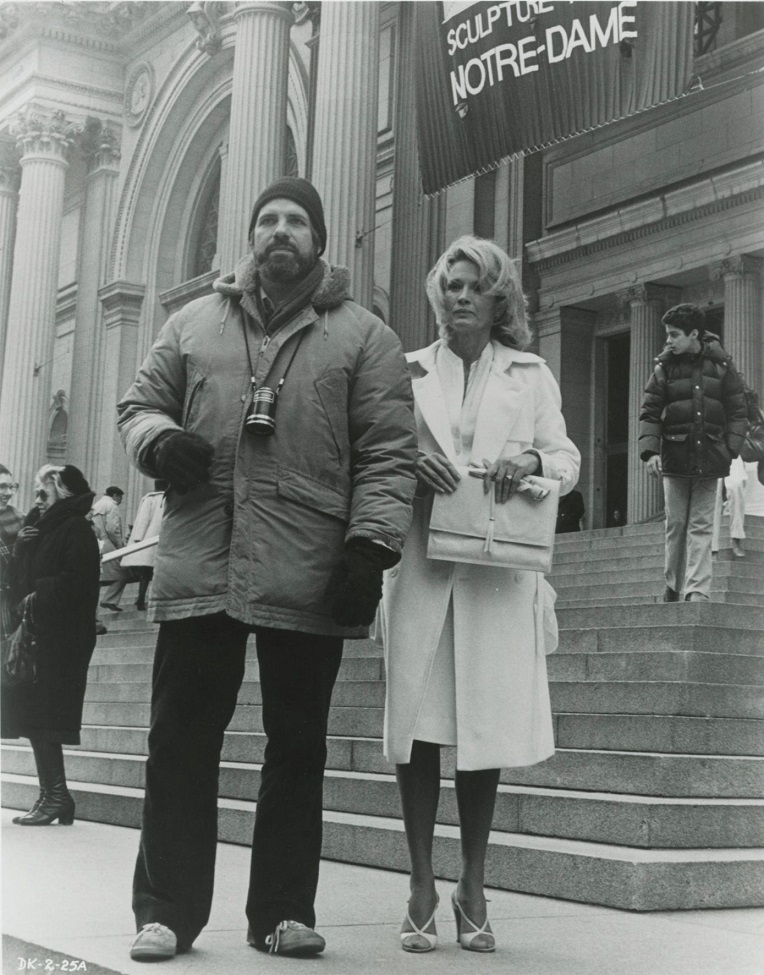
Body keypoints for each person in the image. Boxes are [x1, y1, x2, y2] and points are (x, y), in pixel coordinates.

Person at [117, 176, 417, 961]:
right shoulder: (191, 323)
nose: (281, 230)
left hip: (309, 564)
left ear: (318, 240)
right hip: (202, 559)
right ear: (250, 237)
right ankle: (166, 911)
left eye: (296, 221)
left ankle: (282, 912)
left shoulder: (366, 337)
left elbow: (389, 453)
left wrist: (370, 546)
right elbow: (137, 406)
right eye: (268, 219)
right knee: (178, 741)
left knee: (298, 746)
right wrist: (158, 441)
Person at [379, 236, 580, 954]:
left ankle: (472, 882)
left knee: (482, 729)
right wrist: (411, 461)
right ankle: (420, 882)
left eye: (474, 287)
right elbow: (370, 454)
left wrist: (528, 458)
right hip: (422, 563)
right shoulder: (405, 371)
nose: (460, 297)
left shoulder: (530, 374)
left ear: (499, 301)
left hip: (498, 573)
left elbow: (566, 459)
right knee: (416, 727)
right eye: (451, 286)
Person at [1, 464, 100, 826]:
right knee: (34, 717)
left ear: (62, 493)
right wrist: (21, 550)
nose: (37, 500)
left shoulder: (75, 528)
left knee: (46, 717)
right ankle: (55, 795)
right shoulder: (41, 528)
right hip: (40, 635)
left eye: (44, 493)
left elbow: (79, 582)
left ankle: (56, 795)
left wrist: (37, 595)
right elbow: (18, 581)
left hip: (63, 639)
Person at [639, 303, 747, 602]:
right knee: (676, 525)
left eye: (674, 334)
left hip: (712, 457)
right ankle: (674, 585)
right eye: (668, 334)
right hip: (674, 456)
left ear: (694, 334)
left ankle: (698, 590)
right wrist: (650, 452)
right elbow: (650, 412)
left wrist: (730, 448)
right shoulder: (663, 368)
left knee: (702, 525)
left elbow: (738, 410)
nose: (668, 340)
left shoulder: (722, 366)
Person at [121, 481, 167, 610]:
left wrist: (138, 537)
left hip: (148, 541)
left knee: (146, 573)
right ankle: (152, 600)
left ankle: (141, 598)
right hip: (163, 540)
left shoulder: (150, 499)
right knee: (159, 572)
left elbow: (142, 520)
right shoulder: (169, 498)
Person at [91, 485, 128, 612]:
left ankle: (93, 607)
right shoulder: (112, 506)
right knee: (123, 574)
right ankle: (109, 600)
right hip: (108, 544)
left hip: (95, 543)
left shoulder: (96, 505)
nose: (120, 501)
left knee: (98, 577)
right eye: (120, 498)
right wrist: (119, 546)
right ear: (115, 496)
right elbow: (112, 529)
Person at [0, 465, 24, 659]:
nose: (8, 493)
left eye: (11, 486)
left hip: (12, 603)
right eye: (2, 487)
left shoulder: (21, 520)